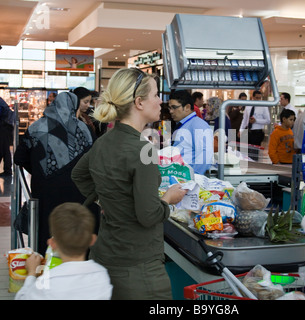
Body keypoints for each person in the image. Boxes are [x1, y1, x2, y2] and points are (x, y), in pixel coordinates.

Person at [71, 68, 187, 300]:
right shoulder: (143, 149)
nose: (160, 101)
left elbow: (79, 174)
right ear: (139, 102)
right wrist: (168, 199)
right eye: (156, 95)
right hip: (138, 268)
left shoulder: (104, 141)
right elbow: (148, 215)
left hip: (104, 255)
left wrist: (107, 199)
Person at [13, 92, 95, 255]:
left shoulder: (36, 128)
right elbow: (93, 161)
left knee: (46, 230)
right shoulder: (84, 129)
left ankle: (44, 266)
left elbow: (19, 157)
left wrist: (38, 170)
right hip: (78, 193)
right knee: (76, 232)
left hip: (45, 192)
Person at [15, 202, 112, 300]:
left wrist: (32, 273)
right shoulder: (102, 275)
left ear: (52, 243)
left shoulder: (47, 282)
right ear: (93, 240)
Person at [169, 90, 214, 175]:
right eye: (170, 108)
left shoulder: (198, 125)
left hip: (188, 179)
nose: (171, 111)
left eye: (174, 107)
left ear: (187, 107)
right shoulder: (184, 124)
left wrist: (193, 178)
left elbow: (205, 156)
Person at [0, 97, 14, 177]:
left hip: (4, 126)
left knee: (3, 148)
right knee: (5, 149)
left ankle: (8, 170)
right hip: (6, 126)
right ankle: (7, 170)